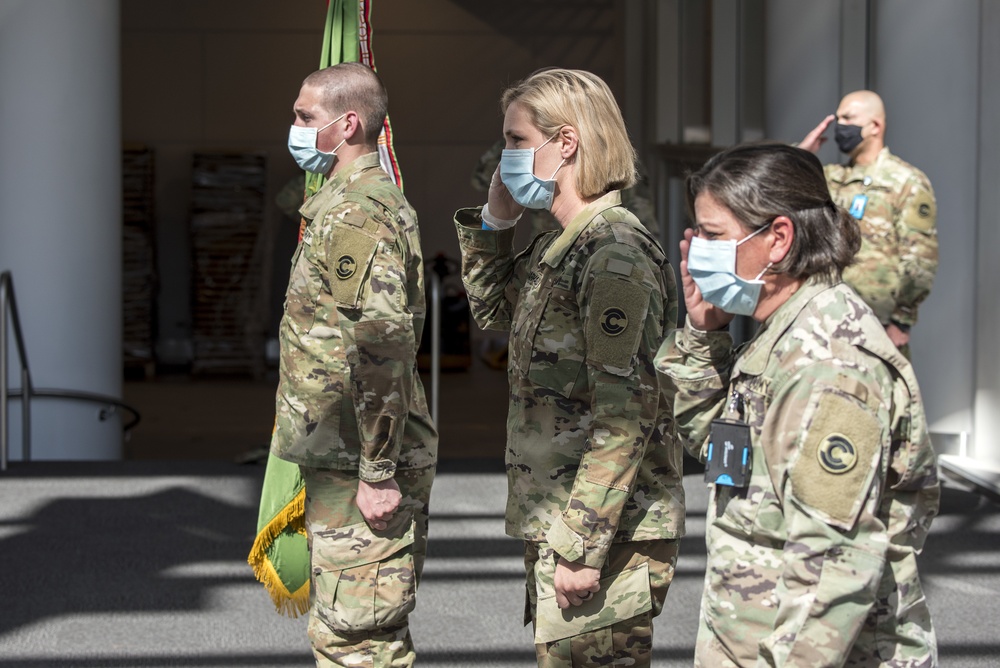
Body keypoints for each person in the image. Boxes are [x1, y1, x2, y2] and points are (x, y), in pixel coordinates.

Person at [656, 142, 940, 666]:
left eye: (713, 236)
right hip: (750, 633)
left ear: (778, 239)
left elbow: (834, 563)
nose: (697, 253)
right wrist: (703, 334)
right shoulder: (781, 338)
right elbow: (724, 456)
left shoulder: (828, 363)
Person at [452, 68, 685, 667]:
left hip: (604, 533)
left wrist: (581, 545)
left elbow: (625, 417)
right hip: (564, 519)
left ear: (567, 143)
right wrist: (496, 225)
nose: (503, 157)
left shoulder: (612, 256)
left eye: (516, 141)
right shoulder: (562, 246)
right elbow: (491, 312)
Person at [270, 62, 437, 667]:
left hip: (358, 459)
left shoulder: (356, 214)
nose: (292, 127)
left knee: (360, 638)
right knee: (343, 632)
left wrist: (378, 469)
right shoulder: (339, 204)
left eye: (304, 117)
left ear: (348, 124)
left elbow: (379, 348)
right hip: (341, 452)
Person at [799, 90, 938, 357]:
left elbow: (921, 259)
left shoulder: (905, 181)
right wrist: (801, 155)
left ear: (875, 126)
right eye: (838, 118)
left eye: (848, 118)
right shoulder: (830, 177)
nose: (840, 126)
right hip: (823, 319)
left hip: (876, 325)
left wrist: (901, 320)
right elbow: (776, 189)